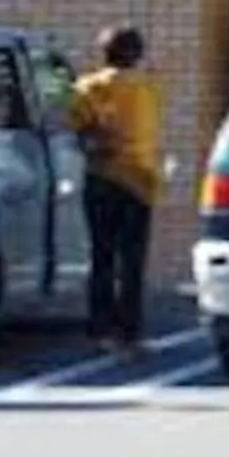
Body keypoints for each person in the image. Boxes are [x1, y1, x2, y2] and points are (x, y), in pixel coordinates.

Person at [68, 28, 161, 354]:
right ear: (136, 54)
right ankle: (129, 334)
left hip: (101, 176)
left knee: (101, 256)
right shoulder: (147, 88)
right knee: (132, 262)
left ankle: (99, 331)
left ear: (103, 52)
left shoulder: (86, 88)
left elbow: (78, 131)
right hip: (139, 180)